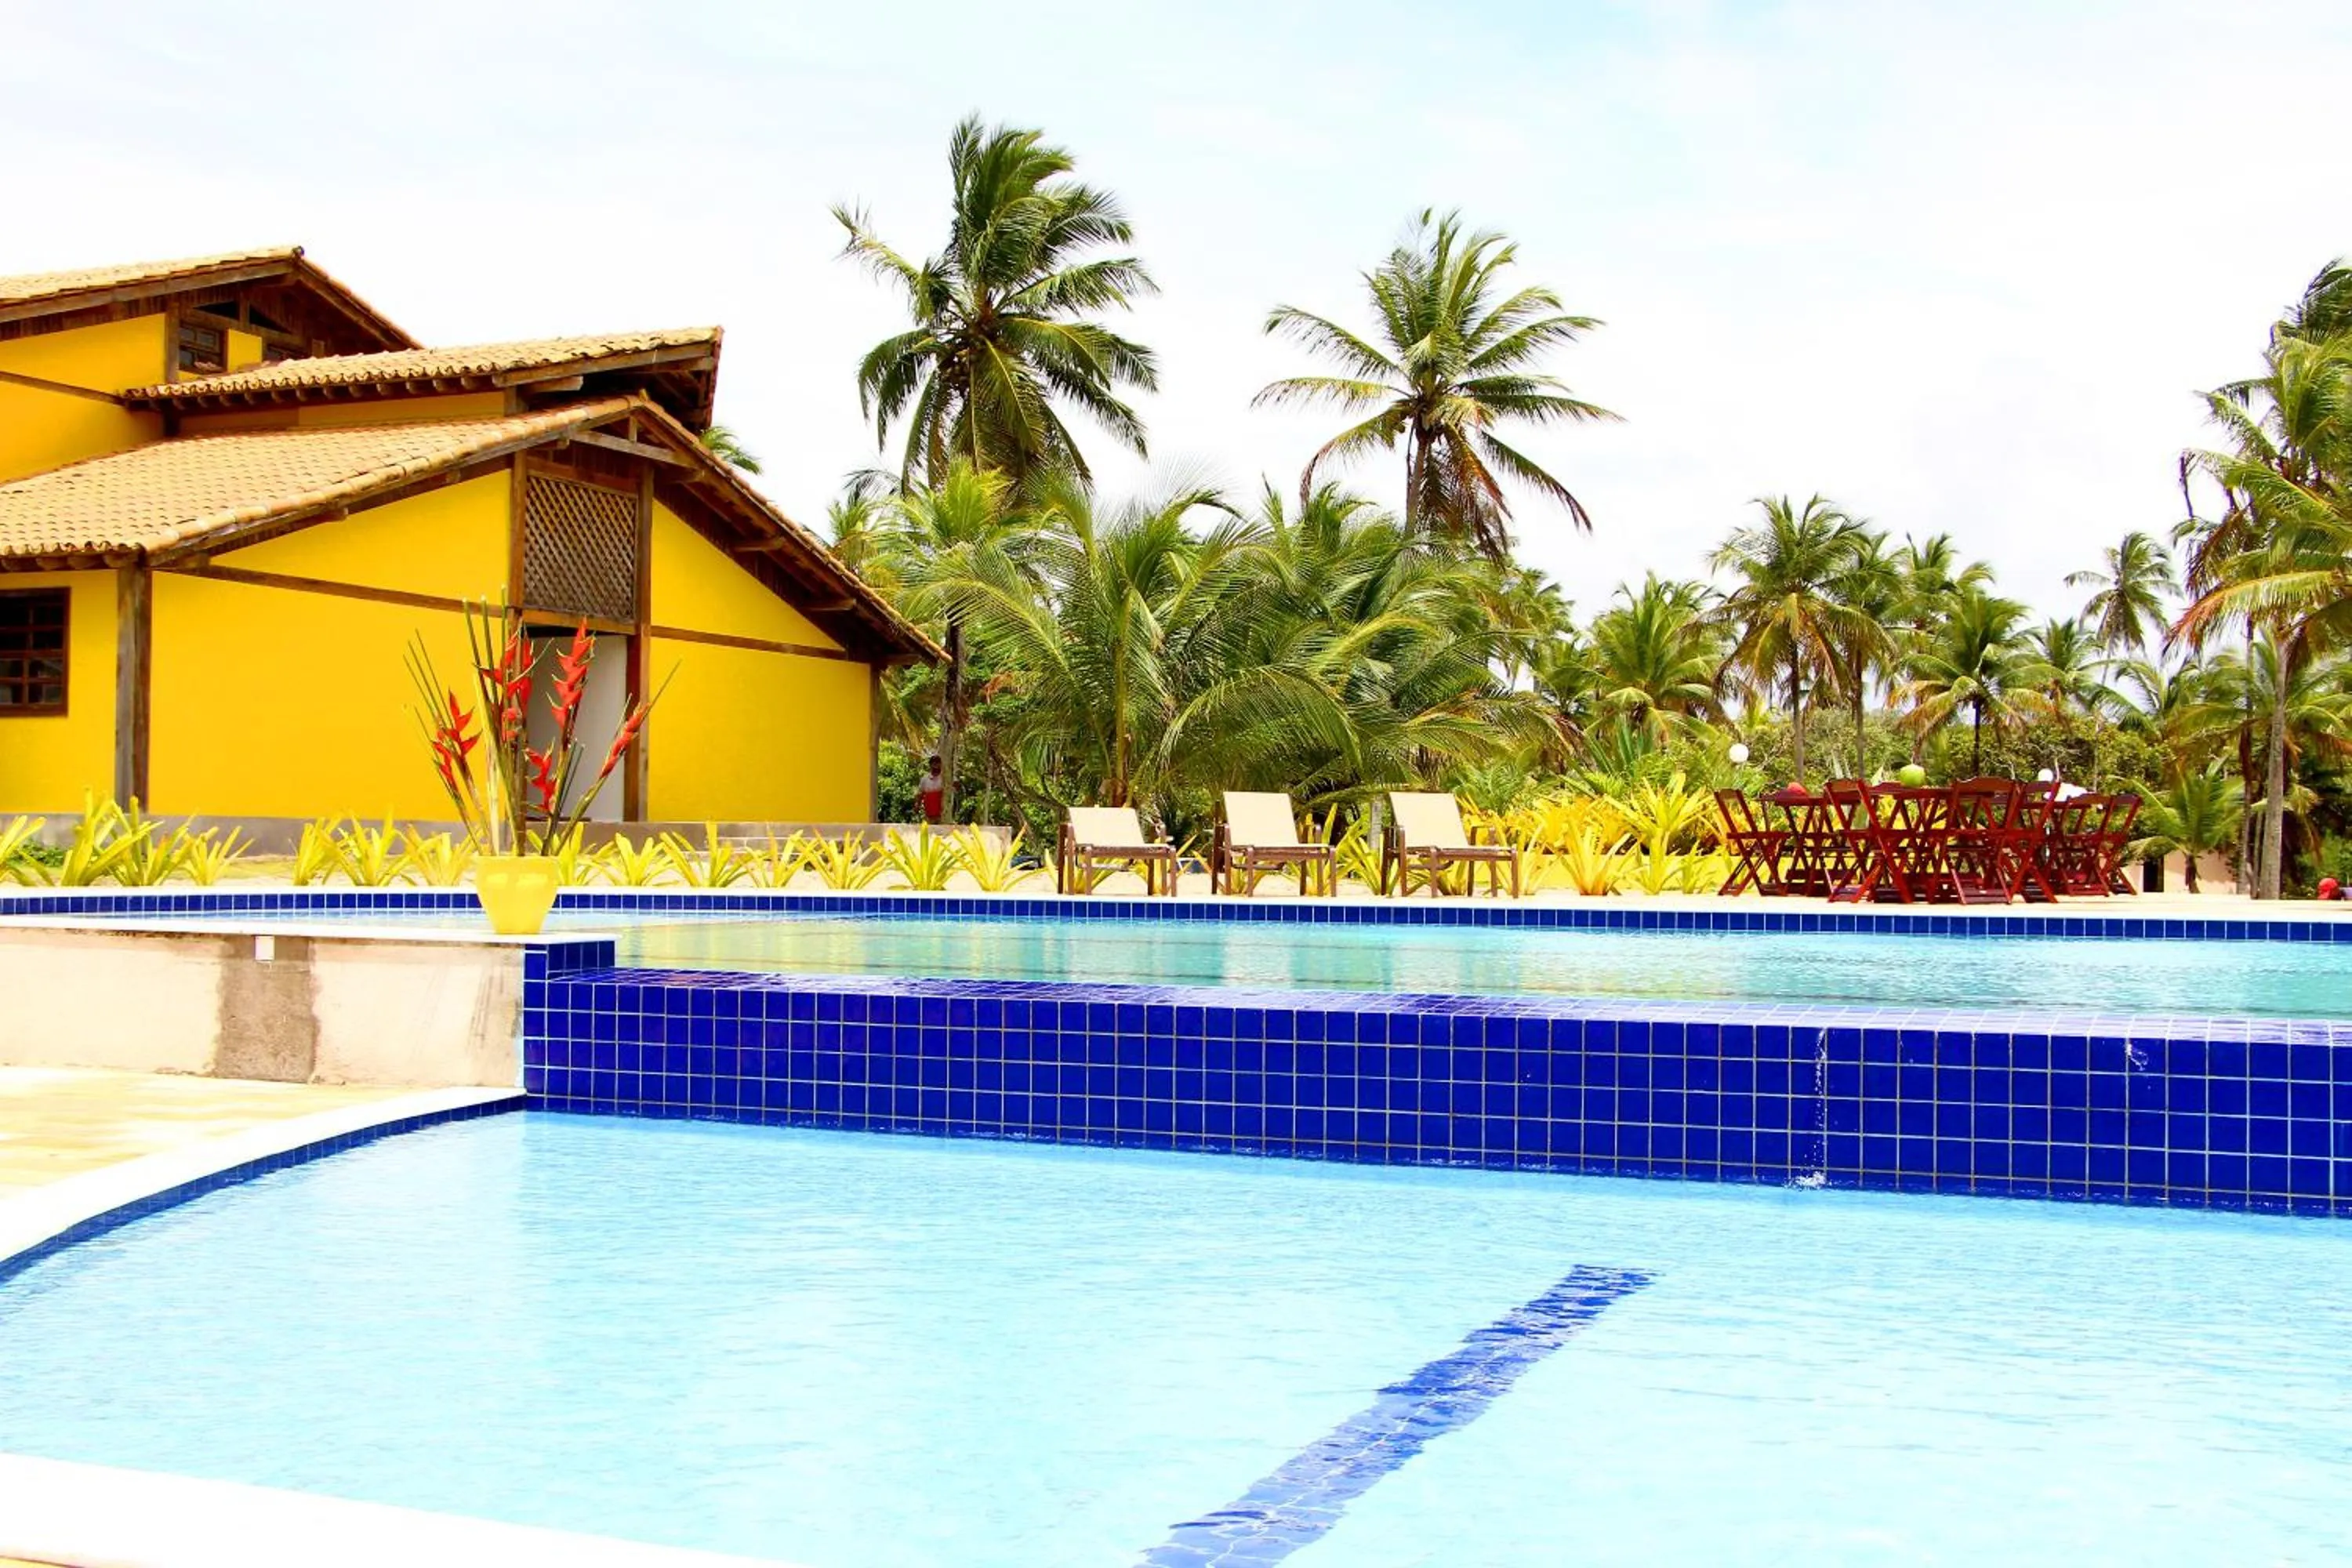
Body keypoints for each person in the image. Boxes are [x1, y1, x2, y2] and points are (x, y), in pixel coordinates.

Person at [917, 755, 946, 826]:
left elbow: (956, 787)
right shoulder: (925, 779)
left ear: (941, 764)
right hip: (929, 813)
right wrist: (917, 804)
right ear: (930, 765)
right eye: (934, 763)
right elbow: (920, 794)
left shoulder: (946, 778)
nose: (936, 764)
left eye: (938, 762)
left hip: (943, 814)